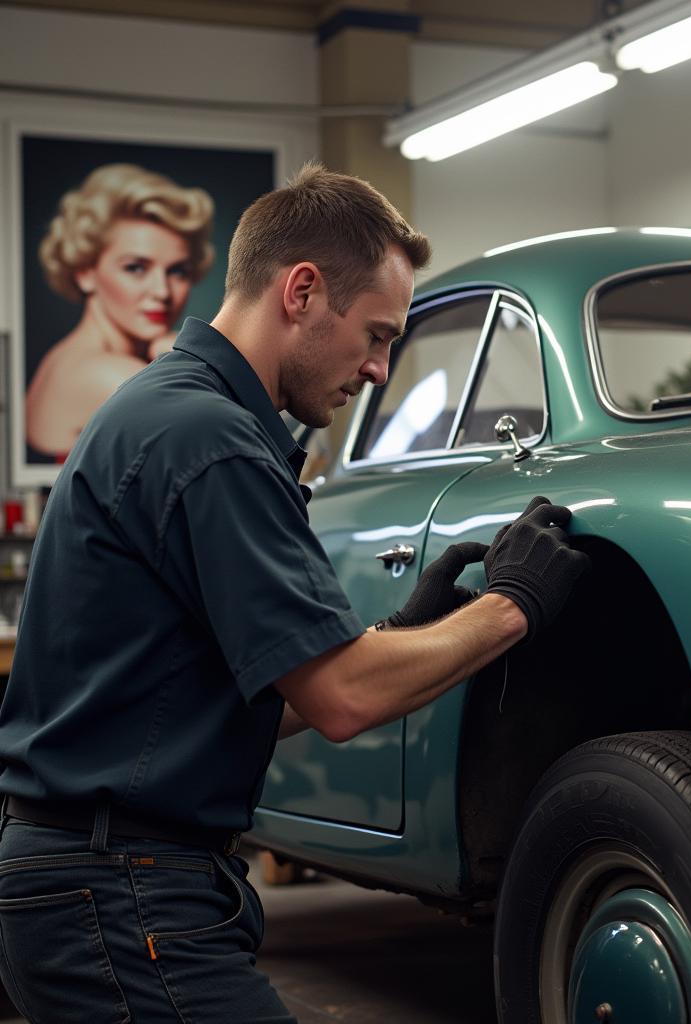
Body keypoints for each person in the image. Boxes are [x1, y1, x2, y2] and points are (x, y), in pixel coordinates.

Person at [0, 162, 588, 1022]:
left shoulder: (167, 411)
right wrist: (512, 607)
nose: (382, 370)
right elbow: (345, 699)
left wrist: (399, 632)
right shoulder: (212, 440)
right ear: (303, 290)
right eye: (379, 335)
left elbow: (220, 707)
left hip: (94, 883)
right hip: (119, 893)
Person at [26, 162, 214, 459]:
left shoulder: (67, 358)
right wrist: (188, 359)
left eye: (177, 271)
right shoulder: (105, 374)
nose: (162, 292)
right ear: (85, 271)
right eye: (135, 268)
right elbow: (230, 443)